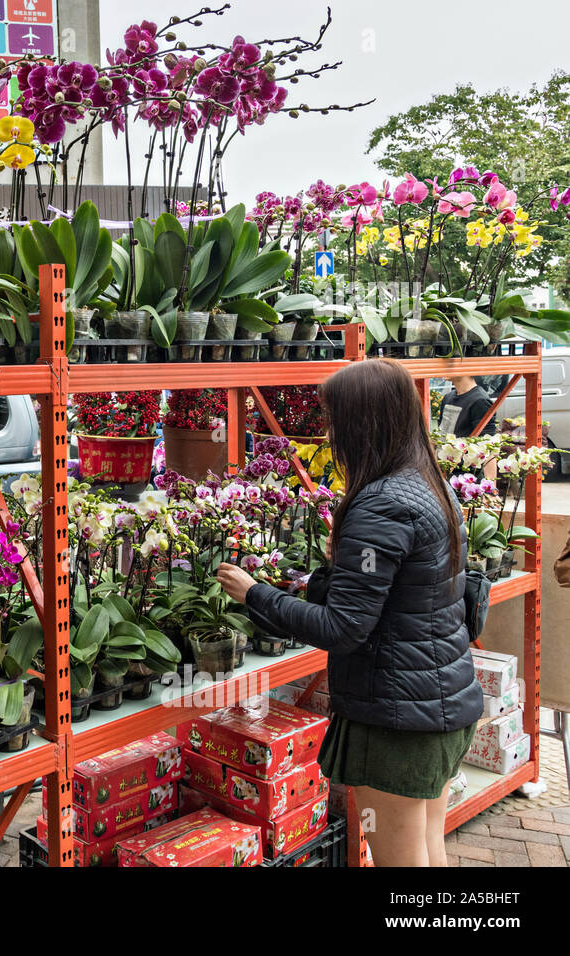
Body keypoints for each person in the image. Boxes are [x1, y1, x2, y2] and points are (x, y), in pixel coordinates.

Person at [216, 359, 482, 867]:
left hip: (397, 726)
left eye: (335, 421)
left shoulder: (379, 504)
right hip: (441, 704)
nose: (329, 434)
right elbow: (395, 588)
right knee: (426, 847)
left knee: (398, 862)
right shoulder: (431, 484)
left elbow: (343, 628)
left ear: (363, 423)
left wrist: (255, 594)